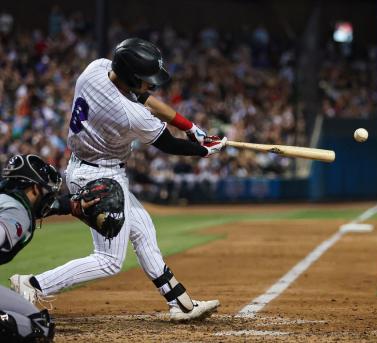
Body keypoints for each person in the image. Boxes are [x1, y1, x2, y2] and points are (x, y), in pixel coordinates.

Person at [10, 38, 226, 322]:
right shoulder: (129, 114)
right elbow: (168, 145)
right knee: (109, 260)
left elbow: (145, 99)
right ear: (131, 78)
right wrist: (203, 149)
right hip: (100, 177)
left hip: (88, 167)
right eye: (146, 80)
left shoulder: (96, 69)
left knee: (144, 231)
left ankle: (180, 304)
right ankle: (34, 284)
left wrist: (189, 127)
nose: (152, 85)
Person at [0, 154, 100, 342]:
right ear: (35, 189)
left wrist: (70, 204)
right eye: (46, 191)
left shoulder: (7, 200)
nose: (48, 197)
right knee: (35, 329)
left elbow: (48, 207)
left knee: (37, 320)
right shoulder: (17, 211)